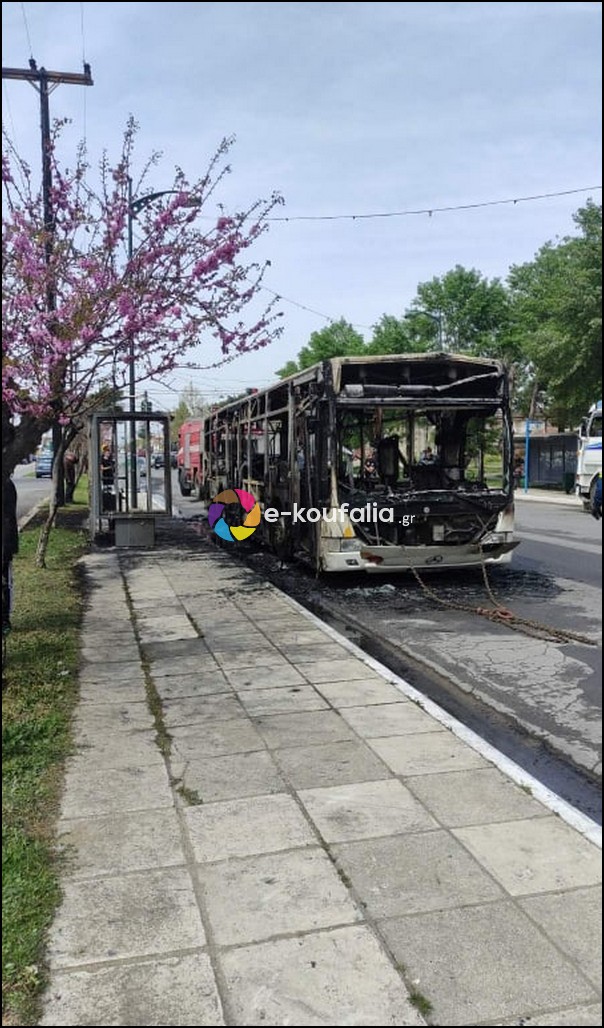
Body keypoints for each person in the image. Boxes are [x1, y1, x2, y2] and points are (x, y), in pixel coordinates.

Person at [2, 474, 19, 636]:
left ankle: (5, 619)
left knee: (5, 583)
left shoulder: (6, 486)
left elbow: (8, 519)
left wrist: (7, 548)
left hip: (4, 545)